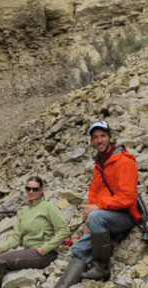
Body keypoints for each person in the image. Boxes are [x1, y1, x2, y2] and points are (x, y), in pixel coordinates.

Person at [54, 121, 142, 288]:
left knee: (95, 217)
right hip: (107, 215)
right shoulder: (100, 164)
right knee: (80, 248)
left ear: (110, 137)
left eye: (102, 136)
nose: (99, 140)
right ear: (92, 141)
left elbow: (127, 197)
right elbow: (94, 195)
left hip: (127, 216)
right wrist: (90, 217)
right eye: (95, 137)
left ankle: (102, 268)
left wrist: (96, 211)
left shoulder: (124, 161)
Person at [0, 176, 70, 288]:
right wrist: (1, 248)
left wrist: (45, 248)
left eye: (35, 189)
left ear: (41, 190)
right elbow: (15, 237)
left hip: (45, 254)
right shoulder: (24, 212)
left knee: (1, 260)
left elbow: (64, 230)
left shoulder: (48, 207)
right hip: (30, 252)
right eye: (28, 188)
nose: (31, 192)